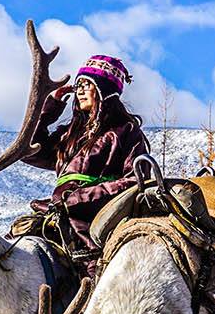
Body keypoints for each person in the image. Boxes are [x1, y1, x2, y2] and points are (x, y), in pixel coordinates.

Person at [19, 54, 149, 276]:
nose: (78, 90)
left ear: (104, 90)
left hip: (95, 217)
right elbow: (28, 151)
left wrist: (79, 198)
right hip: (57, 211)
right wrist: (51, 109)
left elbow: (136, 181)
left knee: (91, 272)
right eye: (78, 84)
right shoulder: (69, 135)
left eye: (87, 84)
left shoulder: (125, 132)